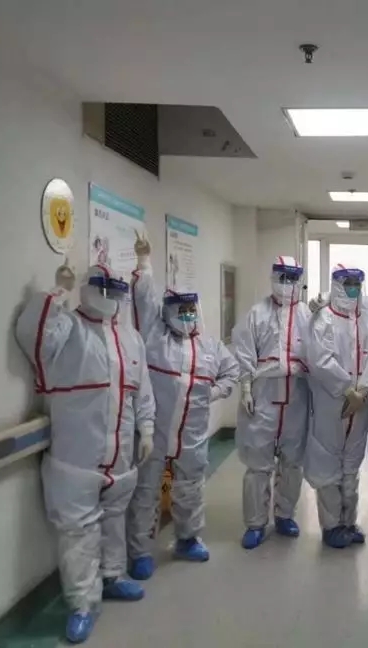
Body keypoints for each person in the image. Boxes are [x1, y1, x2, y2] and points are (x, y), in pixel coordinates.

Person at [16, 261, 155, 644]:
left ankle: (113, 576)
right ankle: (81, 604)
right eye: (103, 289)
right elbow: (33, 337)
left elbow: (142, 391)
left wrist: (146, 429)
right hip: (76, 453)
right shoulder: (68, 327)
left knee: (113, 519)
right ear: (87, 287)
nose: (110, 298)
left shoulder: (130, 338)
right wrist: (55, 294)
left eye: (116, 291)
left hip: (120, 452)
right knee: (78, 532)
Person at [126, 234, 240, 578]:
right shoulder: (154, 337)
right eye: (182, 310)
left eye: (192, 310)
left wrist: (216, 392)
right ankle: (140, 552)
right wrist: (144, 260)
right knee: (146, 490)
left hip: (192, 433)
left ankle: (188, 539)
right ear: (169, 312)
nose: (188, 316)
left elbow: (231, 370)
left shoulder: (209, 345)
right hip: (156, 430)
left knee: (190, 487)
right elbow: (144, 299)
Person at [231, 256, 312, 549]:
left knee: (293, 462)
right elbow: (243, 352)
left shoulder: (307, 315)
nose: (288, 284)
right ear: (273, 278)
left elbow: (317, 355)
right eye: (283, 277)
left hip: (297, 397)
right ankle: (255, 523)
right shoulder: (257, 313)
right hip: (263, 396)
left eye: (293, 278)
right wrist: (245, 388)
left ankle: (285, 515)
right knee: (258, 464)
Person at [305, 264, 368, 548]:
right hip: (331, 402)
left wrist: (363, 390)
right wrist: (346, 389)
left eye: (356, 283)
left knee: (352, 463)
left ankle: (349, 522)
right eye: (347, 283)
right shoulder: (323, 319)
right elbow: (319, 359)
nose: (352, 288)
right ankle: (331, 526)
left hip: (360, 404)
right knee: (328, 462)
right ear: (336, 285)